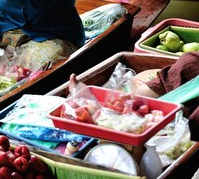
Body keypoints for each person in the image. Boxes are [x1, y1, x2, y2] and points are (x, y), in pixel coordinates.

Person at [70, 52, 199, 141]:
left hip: (187, 142)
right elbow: (141, 98)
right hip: (164, 126)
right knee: (189, 62)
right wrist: (97, 103)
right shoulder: (192, 64)